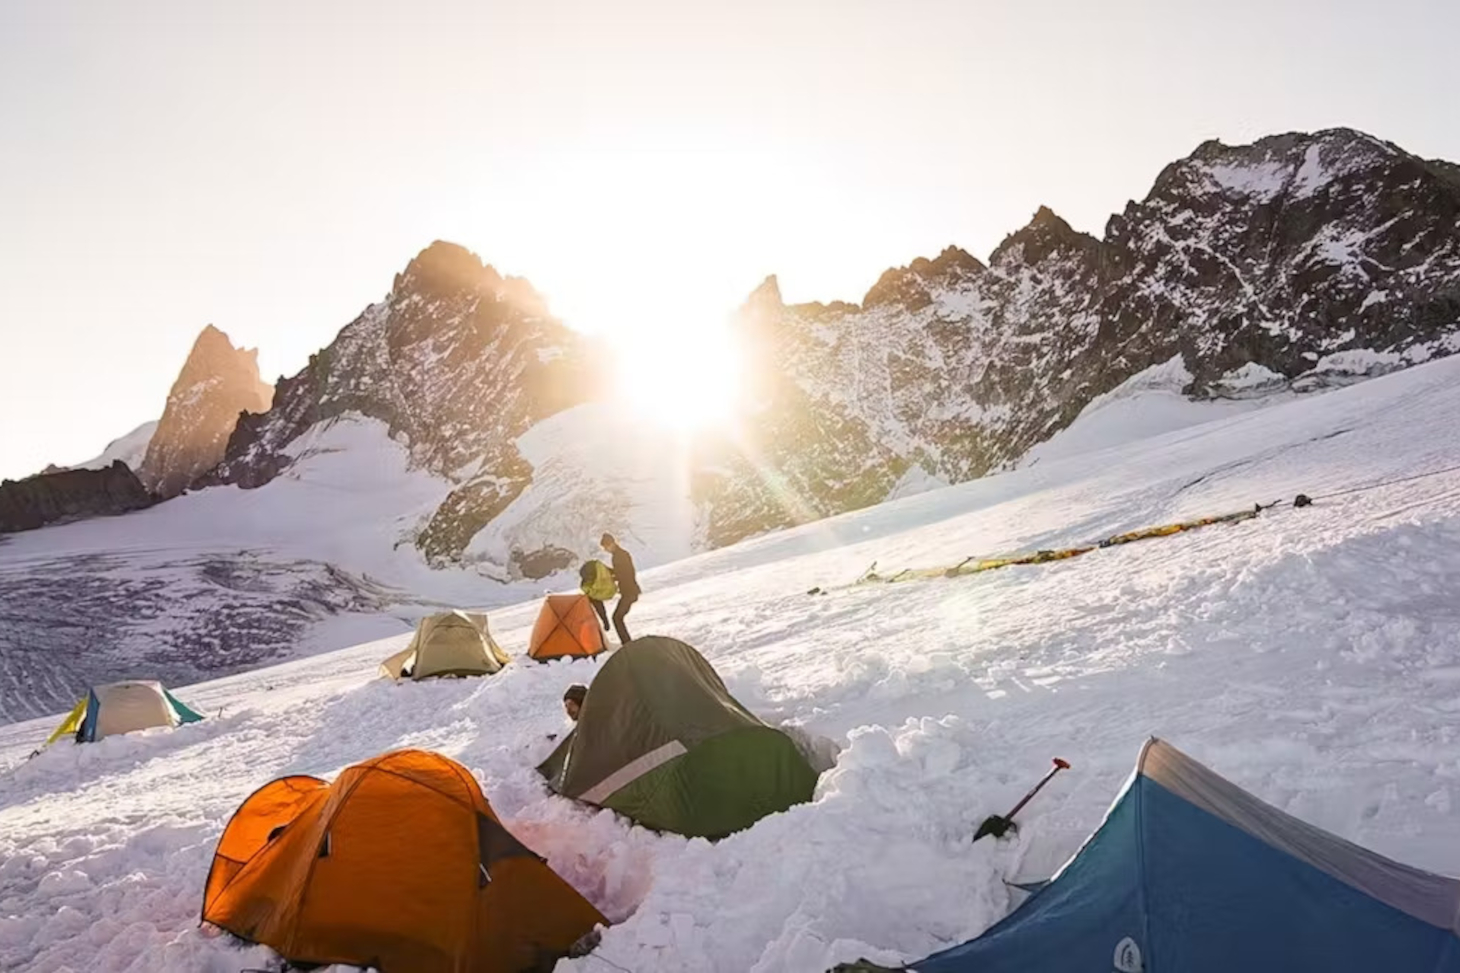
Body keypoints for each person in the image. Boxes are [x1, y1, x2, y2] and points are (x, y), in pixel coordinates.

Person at [600, 532, 639, 645]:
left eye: (605, 547)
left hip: (629, 592)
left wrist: (610, 574)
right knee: (618, 617)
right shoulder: (619, 555)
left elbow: (625, 574)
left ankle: (627, 644)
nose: (605, 550)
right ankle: (626, 643)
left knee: (617, 618)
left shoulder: (620, 556)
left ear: (611, 544)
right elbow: (621, 572)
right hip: (629, 591)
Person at [578, 558, 615, 632]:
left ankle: (601, 623)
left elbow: (584, 585)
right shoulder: (600, 568)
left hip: (590, 591)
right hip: (593, 589)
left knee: (594, 602)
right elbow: (611, 572)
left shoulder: (589, 572)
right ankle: (604, 621)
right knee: (597, 603)